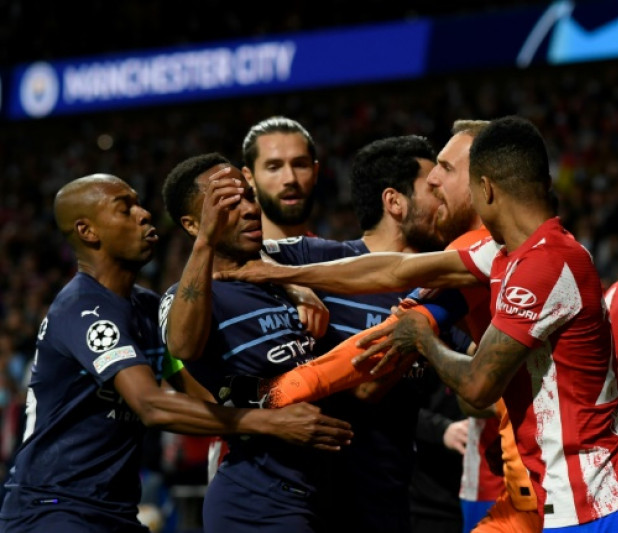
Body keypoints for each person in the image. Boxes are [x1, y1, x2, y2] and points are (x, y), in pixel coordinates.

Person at [219, 120, 539, 533]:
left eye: (446, 173)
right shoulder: (317, 256)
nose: (438, 184)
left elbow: (473, 394)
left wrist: (442, 350)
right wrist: (295, 286)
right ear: (394, 202)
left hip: (398, 498)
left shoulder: (476, 263)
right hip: (311, 499)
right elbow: (240, 256)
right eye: (431, 179)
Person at [355, 116, 618, 531]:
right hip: (571, 499)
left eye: (454, 175)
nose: (438, 184)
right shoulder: (510, 258)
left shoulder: (545, 262)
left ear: (485, 189)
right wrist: (291, 272)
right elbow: (396, 271)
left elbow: (477, 386)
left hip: (601, 502)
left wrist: (424, 339)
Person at [0, 174, 350, 533]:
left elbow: (199, 396)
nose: (144, 214)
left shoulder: (147, 310)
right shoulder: (82, 308)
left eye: (139, 203)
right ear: (88, 232)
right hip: (52, 509)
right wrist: (272, 423)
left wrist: (293, 294)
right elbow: (152, 406)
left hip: (114, 511)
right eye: (125, 209)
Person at [160, 154, 357, 533]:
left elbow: (372, 257)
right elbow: (182, 347)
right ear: (192, 224)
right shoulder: (189, 299)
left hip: (334, 493)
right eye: (228, 204)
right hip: (261, 500)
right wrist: (206, 241)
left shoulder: (285, 269)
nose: (251, 210)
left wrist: (294, 281)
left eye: (250, 197)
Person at [241, 116, 321, 240]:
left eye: (300, 165)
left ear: (315, 173)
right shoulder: (223, 252)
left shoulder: (334, 251)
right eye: (274, 167)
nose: (290, 179)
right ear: (249, 178)